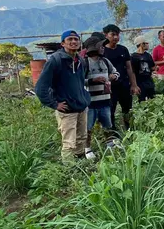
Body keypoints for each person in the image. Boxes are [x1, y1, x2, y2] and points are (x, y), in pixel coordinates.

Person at [34, 29, 91, 162]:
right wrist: (54, 104)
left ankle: (80, 166)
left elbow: (80, 82)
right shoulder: (56, 60)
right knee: (69, 143)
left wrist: (84, 98)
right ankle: (69, 172)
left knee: (82, 138)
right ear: (62, 44)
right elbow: (40, 87)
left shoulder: (80, 61)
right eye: (69, 40)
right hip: (67, 109)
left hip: (81, 107)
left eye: (76, 39)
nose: (73, 42)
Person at [83, 35, 119, 150]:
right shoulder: (85, 63)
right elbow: (79, 81)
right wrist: (93, 80)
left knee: (107, 125)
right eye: (101, 46)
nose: (103, 48)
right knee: (88, 127)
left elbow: (116, 72)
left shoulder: (105, 61)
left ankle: (110, 144)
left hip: (105, 100)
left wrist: (114, 76)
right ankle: (87, 148)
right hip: (90, 102)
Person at [102, 24, 139, 131]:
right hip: (109, 87)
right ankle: (112, 133)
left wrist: (134, 84)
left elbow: (129, 68)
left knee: (127, 110)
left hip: (124, 85)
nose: (116, 37)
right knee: (110, 110)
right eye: (112, 34)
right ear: (105, 35)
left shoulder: (123, 49)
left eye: (117, 35)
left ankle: (130, 130)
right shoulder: (102, 51)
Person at [131, 35, 156, 101]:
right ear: (142, 44)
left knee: (152, 99)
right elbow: (132, 71)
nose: (147, 45)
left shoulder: (148, 55)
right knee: (141, 100)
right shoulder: (133, 57)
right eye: (146, 43)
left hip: (149, 81)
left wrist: (155, 68)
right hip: (139, 82)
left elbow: (152, 67)